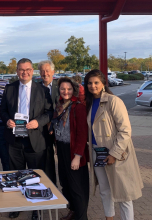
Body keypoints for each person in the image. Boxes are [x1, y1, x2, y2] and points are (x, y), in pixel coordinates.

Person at [84, 69, 143, 220]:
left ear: (103, 83)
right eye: (89, 83)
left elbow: (125, 130)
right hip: (97, 152)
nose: (93, 86)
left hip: (115, 153)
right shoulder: (89, 103)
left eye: (96, 82)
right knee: (105, 190)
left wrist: (113, 154)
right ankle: (108, 217)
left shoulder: (113, 101)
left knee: (123, 194)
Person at [0, 58, 53, 220]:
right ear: (17, 71)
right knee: (16, 175)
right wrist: (7, 120)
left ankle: (36, 209)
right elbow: (3, 110)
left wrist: (38, 122)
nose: (25, 72)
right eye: (21, 70)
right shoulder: (9, 88)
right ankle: (17, 205)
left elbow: (49, 112)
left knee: (35, 176)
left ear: (32, 71)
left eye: (28, 69)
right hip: (14, 140)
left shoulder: (42, 90)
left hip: (35, 140)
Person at [52, 77, 89, 220]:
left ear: (73, 89)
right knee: (65, 183)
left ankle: (81, 216)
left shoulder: (78, 107)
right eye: (62, 89)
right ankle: (73, 211)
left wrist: (78, 156)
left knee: (77, 187)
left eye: (68, 89)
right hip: (62, 148)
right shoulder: (59, 105)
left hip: (74, 150)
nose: (65, 91)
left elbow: (82, 134)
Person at [38, 60, 58, 185]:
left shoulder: (60, 85)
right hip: (43, 129)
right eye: (42, 71)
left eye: (47, 70)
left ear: (53, 72)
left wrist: (53, 122)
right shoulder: (37, 88)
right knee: (47, 159)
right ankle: (50, 185)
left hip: (60, 128)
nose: (45, 73)